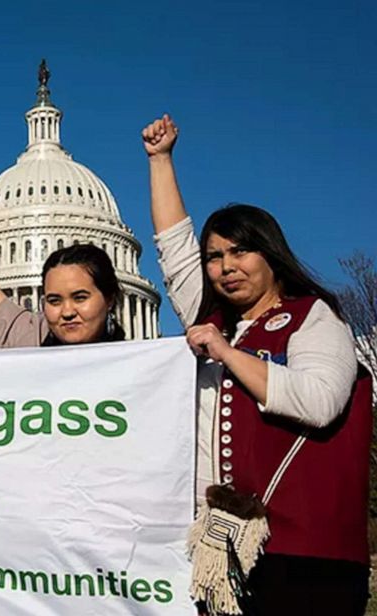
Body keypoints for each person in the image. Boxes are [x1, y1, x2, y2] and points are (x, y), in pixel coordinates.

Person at [143, 114, 371, 614]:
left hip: (309, 555)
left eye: (240, 251)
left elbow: (319, 401)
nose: (226, 267)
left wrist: (227, 354)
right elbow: (175, 251)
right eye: (215, 257)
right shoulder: (215, 320)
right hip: (226, 548)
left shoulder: (313, 317)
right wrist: (160, 161)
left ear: (269, 253)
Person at [0, 167, 126, 347]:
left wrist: (158, 160)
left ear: (109, 299)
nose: (67, 312)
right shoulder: (29, 337)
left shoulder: (138, 363)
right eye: (54, 300)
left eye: (80, 297)